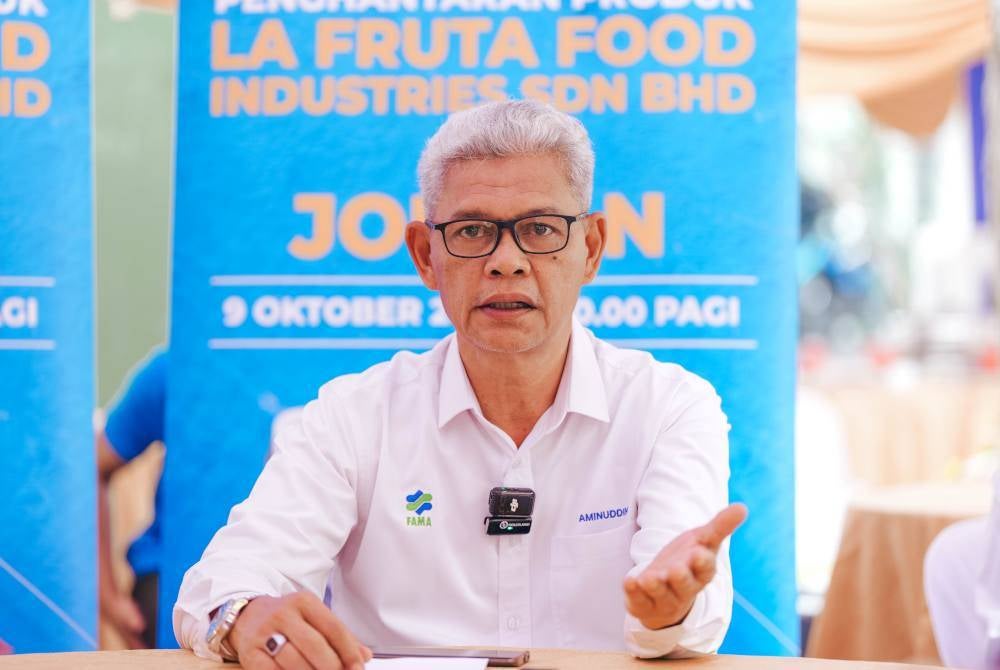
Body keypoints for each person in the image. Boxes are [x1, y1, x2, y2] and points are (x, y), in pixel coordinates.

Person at [173, 99, 747, 668]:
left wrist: (664, 611)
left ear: (590, 248)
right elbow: (222, 585)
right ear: (426, 256)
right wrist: (245, 617)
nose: (506, 261)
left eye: (540, 229)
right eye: (472, 231)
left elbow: (688, 627)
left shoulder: (667, 407)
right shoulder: (353, 416)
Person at [97, 348, 168, 649]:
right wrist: (107, 596)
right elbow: (92, 464)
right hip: (171, 584)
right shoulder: (176, 367)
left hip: (298, 578)